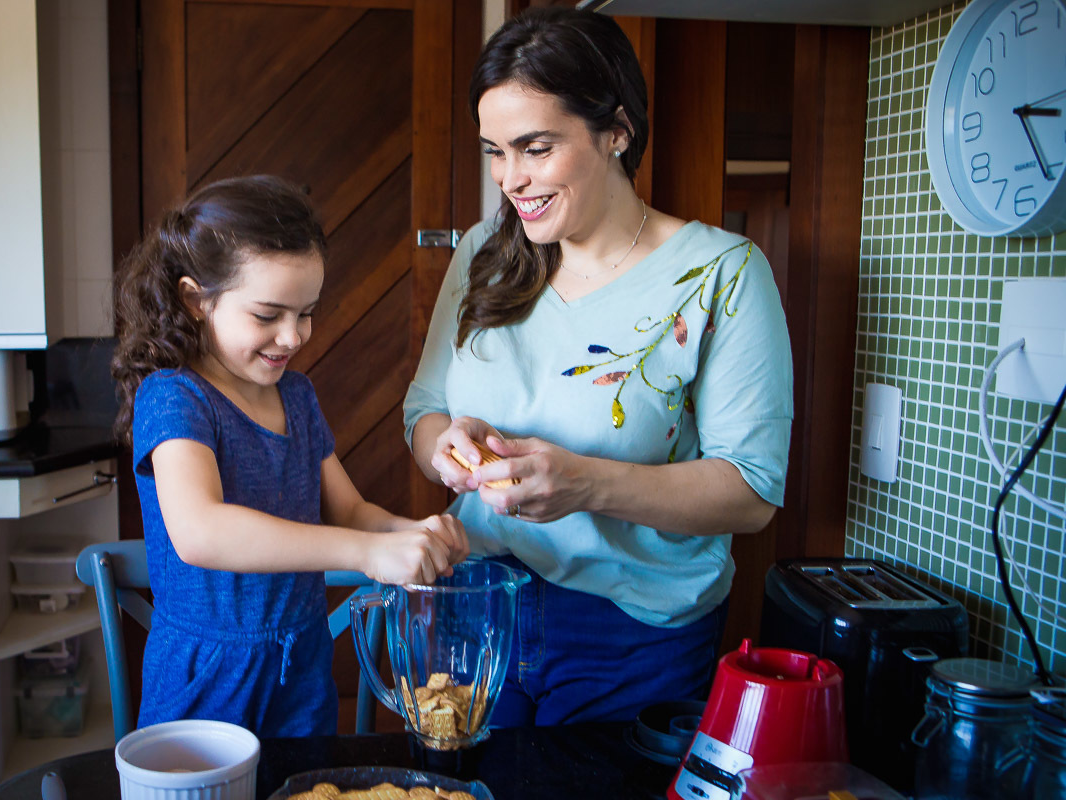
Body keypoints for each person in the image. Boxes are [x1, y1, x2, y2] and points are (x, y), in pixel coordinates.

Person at [403, 8, 793, 726]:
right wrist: (446, 450)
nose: (510, 180)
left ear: (616, 130)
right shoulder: (482, 255)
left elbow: (752, 493)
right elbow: (423, 408)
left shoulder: (721, 274)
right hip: (476, 603)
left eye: (535, 148)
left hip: (634, 637)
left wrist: (585, 484)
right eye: (495, 151)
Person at [112, 175, 469, 738]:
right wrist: (368, 554)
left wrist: (413, 532)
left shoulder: (297, 398)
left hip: (301, 667)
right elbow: (200, 531)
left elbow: (350, 512)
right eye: (267, 315)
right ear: (195, 299)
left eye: (305, 313)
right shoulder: (173, 397)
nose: (292, 336)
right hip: (208, 677)